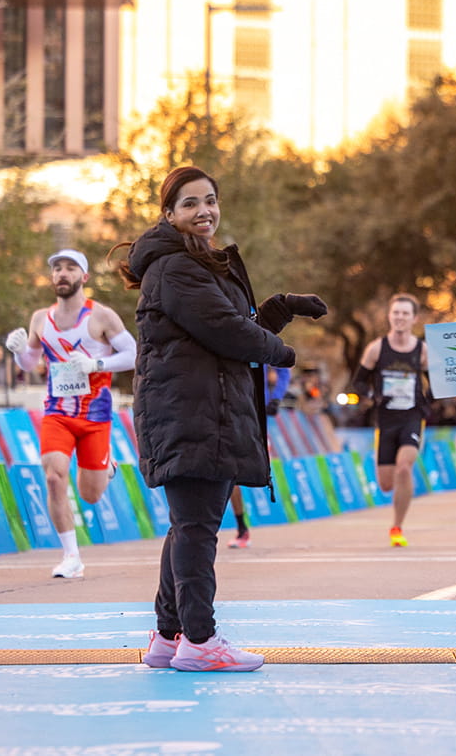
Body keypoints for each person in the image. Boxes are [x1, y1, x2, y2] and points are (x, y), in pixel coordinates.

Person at [117, 166, 326, 672]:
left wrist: (280, 308)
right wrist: (283, 354)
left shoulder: (194, 263)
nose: (204, 211)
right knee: (195, 529)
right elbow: (226, 331)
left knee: (189, 525)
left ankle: (169, 636)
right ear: (169, 214)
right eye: (190, 203)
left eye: (210, 200)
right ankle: (200, 640)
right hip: (191, 413)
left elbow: (231, 325)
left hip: (201, 410)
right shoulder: (175, 268)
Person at [4, 249, 137, 579]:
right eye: (58, 269)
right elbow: (29, 363)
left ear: (84, 277)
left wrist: (96, 364)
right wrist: (19, 351)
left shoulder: (101, 316)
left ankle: (106, 466)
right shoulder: (40, 319)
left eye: (71, 268)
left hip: (95, 415)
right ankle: (71, 556)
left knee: (90, 495)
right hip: (57, 412)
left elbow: (133, 354)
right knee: (53, 476)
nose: (62, 273)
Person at [348, 293, 429, 547]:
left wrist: (427, 402)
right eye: (396, 313)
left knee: (404, 467)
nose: (400, 317)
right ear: (389, 316)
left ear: (414, 318)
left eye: (405, 313)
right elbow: (358, 383)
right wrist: (373, 396)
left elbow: (437, 383)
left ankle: (397, 527)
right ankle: (399, 494)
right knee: (385, 484)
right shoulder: (376, 348)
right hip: (385, 420)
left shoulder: (422, 350)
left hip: (412, 417)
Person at [226, 364, 291, 549]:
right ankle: (239, 528)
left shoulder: (258, 344)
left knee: (231, 472)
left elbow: (283, 369)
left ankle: (242, 528)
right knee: (225, 472)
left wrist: (276, 398)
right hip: (221, 408)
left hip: (252, 413)